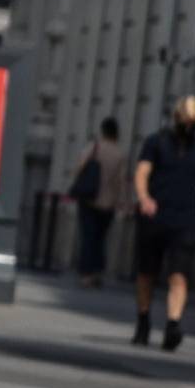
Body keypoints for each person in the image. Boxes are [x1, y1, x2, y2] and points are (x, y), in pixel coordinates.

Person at [129, 95, 195, 352]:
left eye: (194, 122)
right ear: (177, 118)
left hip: (186, 218)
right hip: (155, 215)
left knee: (179, 274)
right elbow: (142, 172)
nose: (189, 126)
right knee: (146, 273)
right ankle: (143, 321)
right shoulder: (156, 142)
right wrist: (144, 198)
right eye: (186, 121)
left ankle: (173, 324)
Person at [67, 119, 127, 284]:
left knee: (88, 236)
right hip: (108, 203)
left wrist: (77, 183)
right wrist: (121, 201)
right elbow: (121, 181)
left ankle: (86, 272)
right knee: (101, 238)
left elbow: (80, 166)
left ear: (103, 131)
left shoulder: (95, 147)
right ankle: (97, 271)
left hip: (89, 198)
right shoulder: (119, 154)